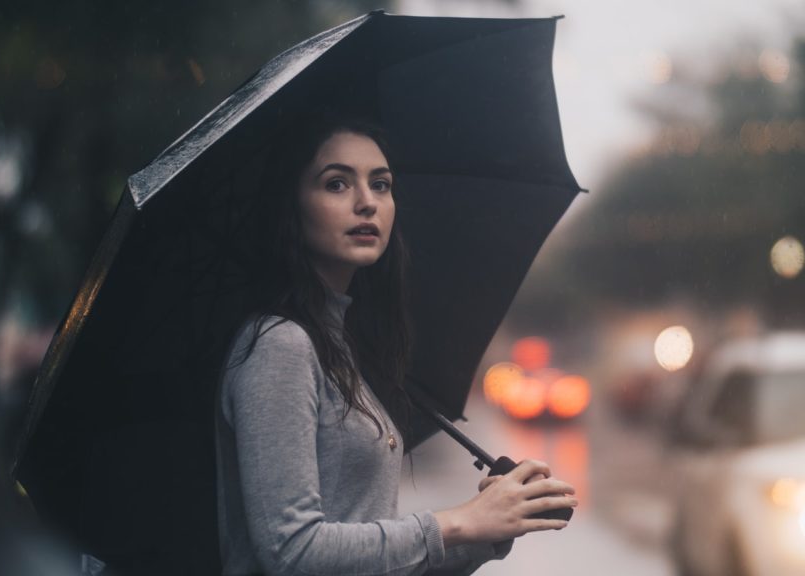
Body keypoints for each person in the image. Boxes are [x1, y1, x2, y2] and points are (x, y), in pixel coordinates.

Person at [214, 115, 578, 576]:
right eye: (337, 184)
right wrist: (458, 523)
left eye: (381, 185)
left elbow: (375, 559)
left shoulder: (340, 345)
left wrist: (491, 527)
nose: (367, 203)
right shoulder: (280, 346)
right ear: (291, 205)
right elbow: (293, 552)